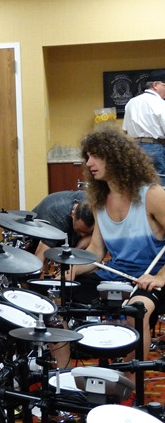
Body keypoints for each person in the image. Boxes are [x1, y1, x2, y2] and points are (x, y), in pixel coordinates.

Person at [68, 125, 165, 363]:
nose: (89, 163)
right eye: (87, 157)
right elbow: (96, 251)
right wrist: (73, 270)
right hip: (116, 274)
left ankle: (132, 377)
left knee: (136, 312)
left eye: (96, 156)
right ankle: (63, 373)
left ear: (116, 157)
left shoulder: (152, 195)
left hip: (151, 278)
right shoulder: (100, 202)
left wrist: (160, 276)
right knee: (57, 298)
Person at [122, 69, 165, 184]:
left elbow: (125, 131)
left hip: (134, 148)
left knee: (138, 185)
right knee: (158, 185)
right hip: (156, 148)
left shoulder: (131, 102)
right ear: (155, 85)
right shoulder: (161, 103)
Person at [28, 190, 94, 261]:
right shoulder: (57, 218)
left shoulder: (92, 203)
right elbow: (40, 255)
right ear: (73, 214)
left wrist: (76, 250)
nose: (83, 235)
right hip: (35, 238)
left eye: (87, 232)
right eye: (79, 230)